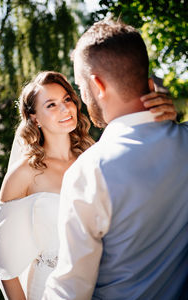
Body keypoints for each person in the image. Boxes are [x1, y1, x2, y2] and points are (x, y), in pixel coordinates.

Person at [0, 74, 177, 299]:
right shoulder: (23, 175)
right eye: (51, 105)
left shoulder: (93, 157)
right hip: (47, 288)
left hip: (103, 283)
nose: (65, 109)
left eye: (67, 99)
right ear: (35, 118)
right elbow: (5, 265)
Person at [42, 19, 188, 300]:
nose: (81, 99)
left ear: (97, 85)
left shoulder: (89, 172)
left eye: (81, 88)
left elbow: (69, 292)